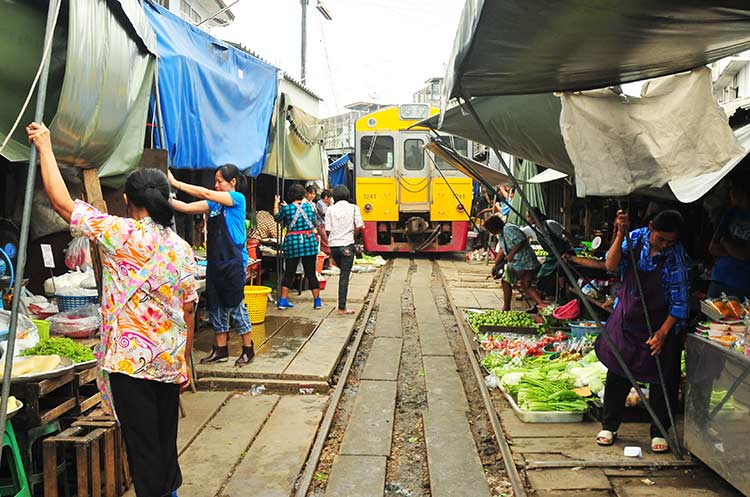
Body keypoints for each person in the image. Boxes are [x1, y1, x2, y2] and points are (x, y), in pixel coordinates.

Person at [28, 122, 197, 497]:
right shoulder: (182, 249)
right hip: (168, 364)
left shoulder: (120, 234)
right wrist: (183, 362)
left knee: (143, 450)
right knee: (164, 445)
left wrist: (45, 147)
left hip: (129, 365)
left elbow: (60, 202)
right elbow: (188, 311)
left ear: (127, 201)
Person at [595, 210, 689, 453]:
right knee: (619, 369)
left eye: (671, 241)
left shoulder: (675, 256)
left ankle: (659, 430)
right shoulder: (634, 238)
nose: (666, 244)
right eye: (661, 239)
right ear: (650, 228)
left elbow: (680, 302)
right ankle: (610, 425)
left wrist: (663, 333)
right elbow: (611, 265)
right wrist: (619, 234)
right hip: (628, 315)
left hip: (661, 322)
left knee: (663, 376)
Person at [169, 165, 255, 367]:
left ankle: (248, 349)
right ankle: (221, 349)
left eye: (220, 181)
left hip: (233, 262)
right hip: (215, 262)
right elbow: (188, 208)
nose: (215, 185)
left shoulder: (237, 199)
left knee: (235, 305)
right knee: (216, 306)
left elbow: (205, 192)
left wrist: (176, 183)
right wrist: (164, 199)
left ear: (232, 182)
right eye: (215, 181)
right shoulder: (214, 205)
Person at [274, 184, 322, 309]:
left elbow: (277, 218)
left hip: (293, 243)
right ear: (303, 195)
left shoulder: (287, 209)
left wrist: (276, 204)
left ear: (290, 196)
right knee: (311, 273)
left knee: (289, 273)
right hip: (309, 242)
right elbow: (313, 222)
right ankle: (317, 301)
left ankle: (283, 301)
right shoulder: (309, 207)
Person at [484, 215, 544, 311]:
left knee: (520, 284)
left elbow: (521, 241)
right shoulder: (501, 234)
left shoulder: (509, 229)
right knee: (515, 283)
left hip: (524, 261)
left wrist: (511, 254)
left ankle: (541, 305)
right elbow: (502, 250)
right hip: (516, 263)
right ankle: (508, 306)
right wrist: (496, 265)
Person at [708, 171, 750, 299]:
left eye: (732, 189)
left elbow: (745, 255)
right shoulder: (729, 214)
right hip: (719, 278)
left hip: (743, 284)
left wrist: (725, 242)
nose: (730, 194)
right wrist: (736, 251)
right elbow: (713, 248)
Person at [325, 185, 364, 315]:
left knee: (343, 273)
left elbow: (327, 229)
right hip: (347, 245)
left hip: (334, 247)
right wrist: (352, 234)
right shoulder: (354, 208)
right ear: (348, 196)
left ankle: (342, 306)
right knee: (344, 276)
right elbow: (359, 226)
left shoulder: (330, 209)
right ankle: (342, 308)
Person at [316, 189, 333, 260]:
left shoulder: (326, 204)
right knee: (326, 242)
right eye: (329, 198)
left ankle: (329, 262)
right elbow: (325, 212)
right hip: (321, 225)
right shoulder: (320, 203)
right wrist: (331, 205)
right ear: (326, 197)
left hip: (326, 225)